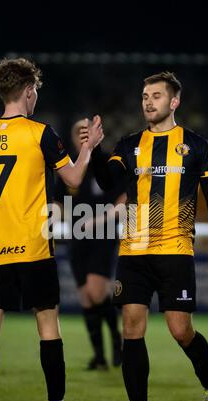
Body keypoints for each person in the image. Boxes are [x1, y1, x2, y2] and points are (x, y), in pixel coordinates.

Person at [88, 71, 208, 401]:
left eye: (156, 96)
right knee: (132, 328)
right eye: (144, 96)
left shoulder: (198, 146)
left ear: (174, 102)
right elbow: (107, 182)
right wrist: (93, 151)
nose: (148, 102)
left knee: (179, 329)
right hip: (134, 250)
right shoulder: (129, 145)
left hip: (175, 249)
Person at [0, 57, 103, 401]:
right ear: (28, 91)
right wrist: (89, 148)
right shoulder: (40, 133)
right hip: (32, 246)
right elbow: (73, 177)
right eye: (36, 91)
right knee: (47, 323)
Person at [55, 120, 124, 370]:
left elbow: (124, 199)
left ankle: (117, 342)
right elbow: (58, 202)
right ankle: (100, 356)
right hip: (77, 238)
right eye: (79, 133)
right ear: (74, 138)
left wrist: (99, 220)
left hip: (103, 237)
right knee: (85, 297)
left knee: (96, 293)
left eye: (88, 132)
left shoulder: (108, 163)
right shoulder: (68, 167)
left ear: (97, 134)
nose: (83, 137)